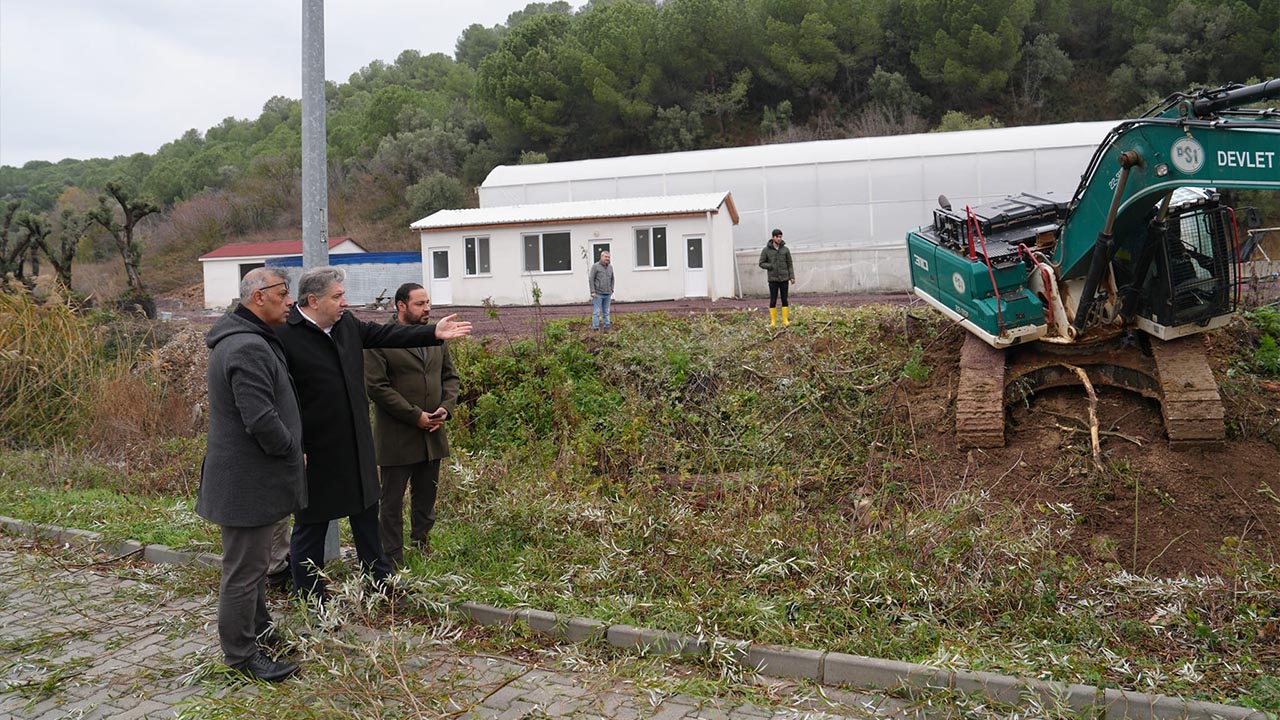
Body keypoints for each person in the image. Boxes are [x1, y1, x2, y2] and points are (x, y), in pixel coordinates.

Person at [275, 267, 472, 602]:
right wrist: (294, 444)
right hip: (316, 449)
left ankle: (381, 584)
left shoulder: (346, 326)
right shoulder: (285, 336)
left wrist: (432, 333)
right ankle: (311, 596)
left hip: (356, 441)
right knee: (313, 524)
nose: (345, 302)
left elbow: (386, 336)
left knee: (367, 516)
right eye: (337, 296)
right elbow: (279, 398)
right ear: (313, 300)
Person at [196, 267, 304, 682]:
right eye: (282, 293)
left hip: (252, 479)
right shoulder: (246, 347)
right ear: (258, 297)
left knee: (254, 567)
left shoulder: (248, 339)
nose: (290, 300)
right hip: (247, 482)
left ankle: (259, 632)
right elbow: (259, 419)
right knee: (242, 573)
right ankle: (241, 658)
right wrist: (292, 450)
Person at [364, 283, 460, 568]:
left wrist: (445, 408)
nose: (427, 308)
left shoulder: (435, 337)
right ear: (401, 306)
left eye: (428, 302)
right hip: (397, 435)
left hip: (432, 433)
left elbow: (450, 378)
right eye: (420, 303)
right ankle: (392, 557)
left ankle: (422, 543)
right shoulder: (379, 339)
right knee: (391, 501)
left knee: (426, 495)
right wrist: (414, 415)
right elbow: (377, 387)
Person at [758, 228, 796, 326]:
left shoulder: (785, 250)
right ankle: (773, 321)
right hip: (773, 279)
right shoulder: (766, 250)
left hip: (784, 278)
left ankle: (785, 320)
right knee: (773, 299)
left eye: (780, 237)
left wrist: (792, 276)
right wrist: (770, 266)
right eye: (777, 237)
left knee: (784, 299)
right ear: (773, 237)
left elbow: (790, 264)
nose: (779, 239)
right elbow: (761, 263)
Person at [588, 250, 614, 330]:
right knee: (596, 312)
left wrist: (612, 288)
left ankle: (607, 326)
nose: (607, 258)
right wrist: (592, 291)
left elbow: (612, 278)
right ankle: (595, 327)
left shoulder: (610, 267)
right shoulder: (595, 266)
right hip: (598, 294)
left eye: (608, 257)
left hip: (607, 293)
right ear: (601, 257)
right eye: (606, 257)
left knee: (606, 312)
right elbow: (591, 279)